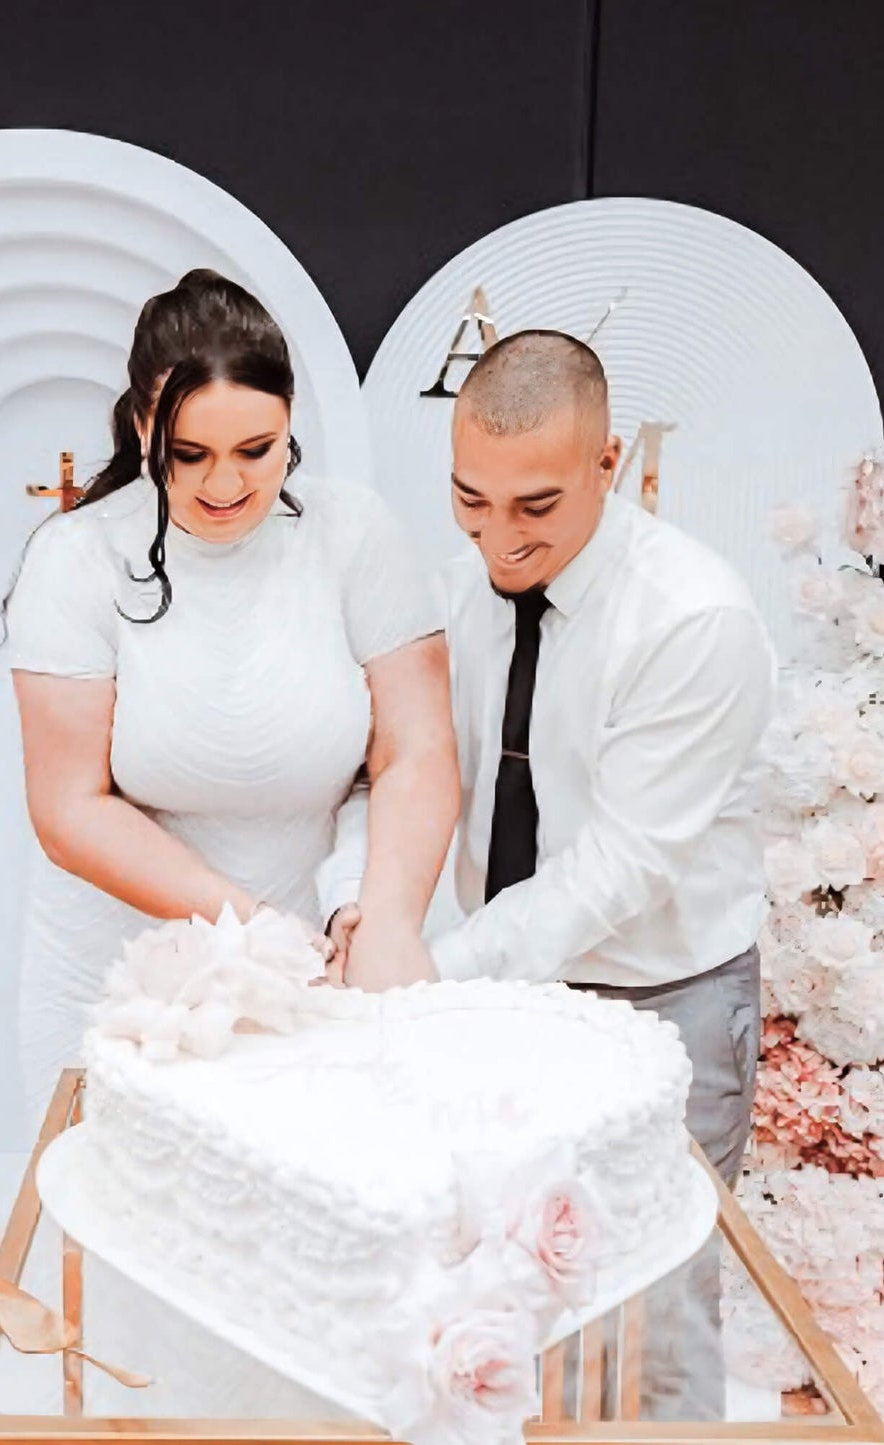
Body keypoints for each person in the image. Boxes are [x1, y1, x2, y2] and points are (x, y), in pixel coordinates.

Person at [319, 329, 775, 1420]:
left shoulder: (691, 618)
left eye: (534, 505)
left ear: (606, 464)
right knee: (508, 1303)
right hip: (502, 995)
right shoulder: (456, 588)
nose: (496, 535)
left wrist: (432, 971)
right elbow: (386, 767)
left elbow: (621, 865)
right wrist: (358, 910)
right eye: (469, 497)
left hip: (665, 1000)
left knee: (655, 1316)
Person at [6, 268, 458, 1131]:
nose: (225, 485)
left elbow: (413, 749)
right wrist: (252, 931)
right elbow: (68, 808)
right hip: (123, 978)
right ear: (144, 426)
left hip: (318, 969)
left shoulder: (353, 535)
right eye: (190, 455)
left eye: (258, 450)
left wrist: (388, 916)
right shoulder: (75, 559)